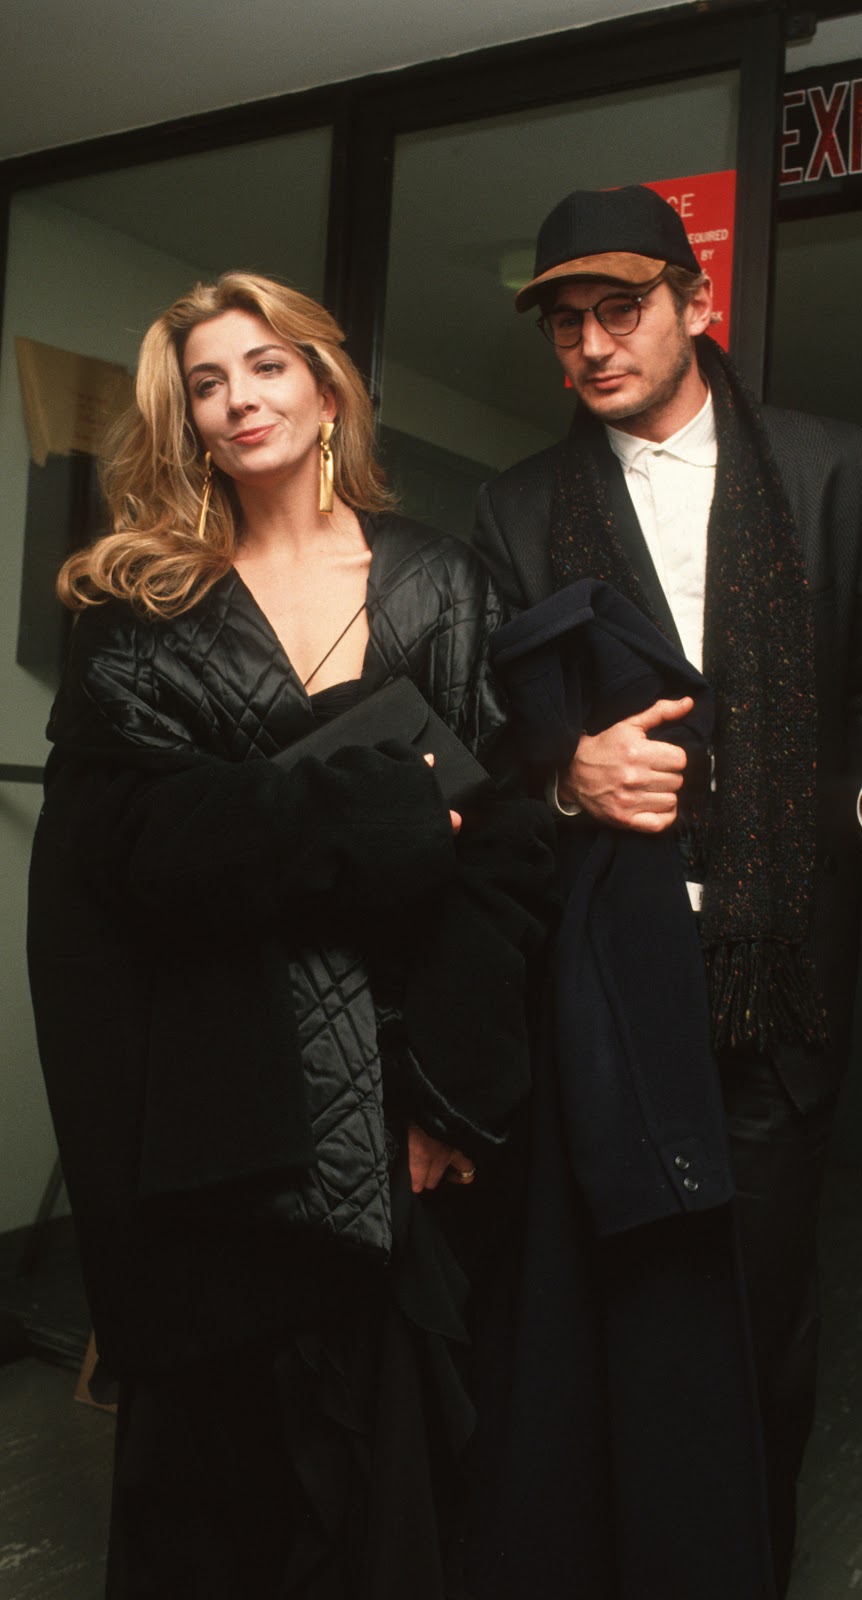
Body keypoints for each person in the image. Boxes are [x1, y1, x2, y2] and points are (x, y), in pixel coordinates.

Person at [27, 271, 554, 1599]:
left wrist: (451, 1099)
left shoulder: (440, 585)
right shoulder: (138, 603)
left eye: (264, 367)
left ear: (326, 389)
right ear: (186, 420)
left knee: (381, 1476)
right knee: (214, 1488)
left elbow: (498, 858)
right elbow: (132, 859)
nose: (235, 399)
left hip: (395, 1091)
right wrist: (375, 824)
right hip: (207, 1096)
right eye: (206, 382)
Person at [471, 185, 862, 1597]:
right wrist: (566, 777)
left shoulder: (840, 468)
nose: (591, 345)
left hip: (783, 979)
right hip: (609, 993)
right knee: (614, 1326)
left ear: (693, 303)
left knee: (766, 1328)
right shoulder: (518, 508)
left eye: (620, 309)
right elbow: (492, 738)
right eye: (566, 323)